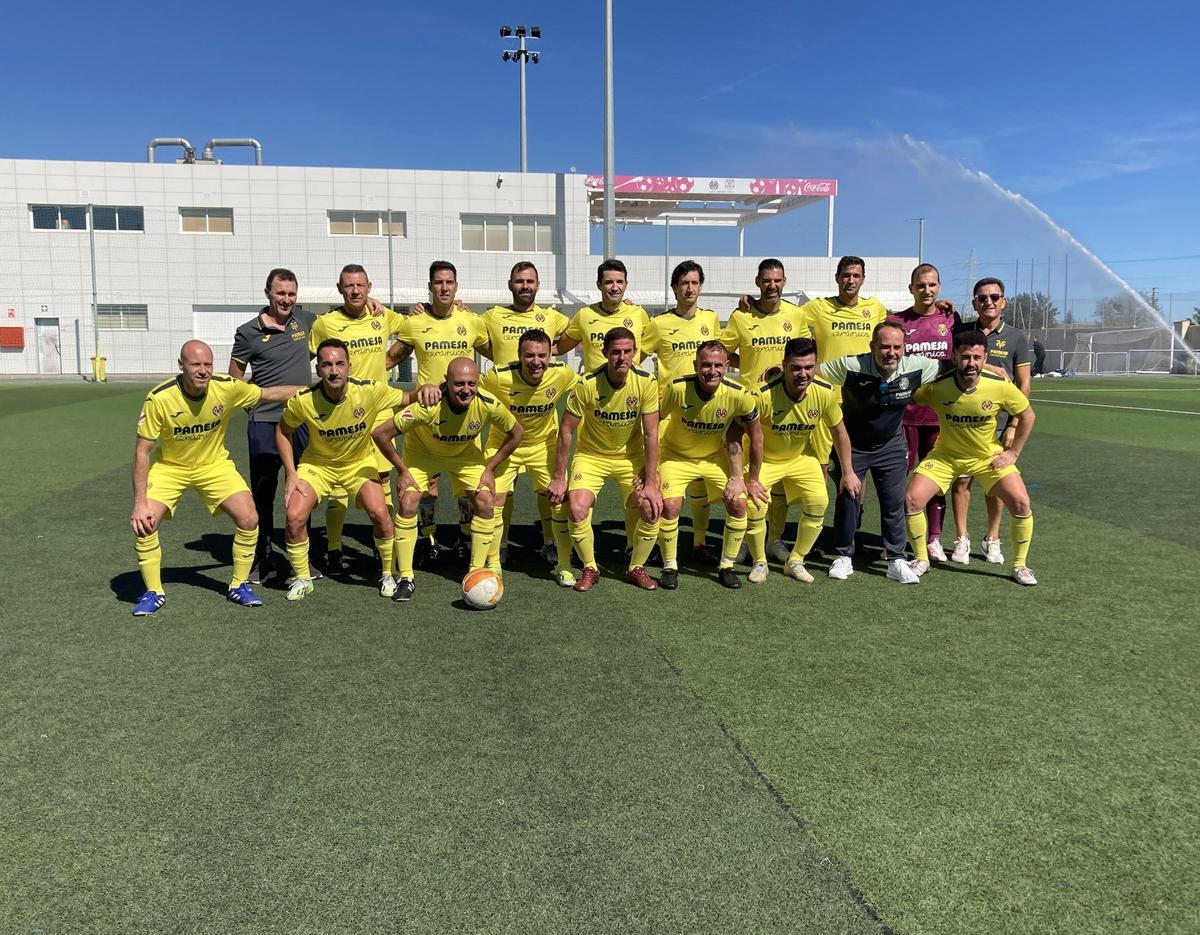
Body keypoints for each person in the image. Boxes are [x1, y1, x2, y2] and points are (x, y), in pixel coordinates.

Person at [129, 341, 302, 615]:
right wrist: (139, 503)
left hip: (213, 466)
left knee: (249, 518)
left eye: (207, 364)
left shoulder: (226, 386)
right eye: (195, 364)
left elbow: (268, 394)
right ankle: (153, 591)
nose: (202, 371)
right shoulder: (159, 398)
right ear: (181, 365)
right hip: (171, 467)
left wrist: (312, 390)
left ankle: (239, 585)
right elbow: (142, 453)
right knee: (145, 522)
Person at [276, 339, 438, 601]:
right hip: (317, 466)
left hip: (358, 464)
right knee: (294, 516)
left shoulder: (369, 391)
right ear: (318, 369)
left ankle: (387, 573)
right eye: (327, 364)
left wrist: (427, 389)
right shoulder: (303, 400)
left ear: (349, 367)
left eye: (340, 364)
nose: (334, 370)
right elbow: (284, 430)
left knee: (380, 513)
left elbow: (408, 397)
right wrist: (291, 473)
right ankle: (303, 578)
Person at [372, 357, 524, 604]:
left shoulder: (487, 403)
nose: (466, 390)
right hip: (423, 455)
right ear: (447, 382)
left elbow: (517, 433)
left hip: (464, 456)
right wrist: (401, 470)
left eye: (471, 383)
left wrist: (489, 469)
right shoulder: (428, 406)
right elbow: (380, 434)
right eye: (459, 384)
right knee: (409, 500)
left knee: (486, 499)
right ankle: (406, 577)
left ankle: (476, 570)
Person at [906, 331, 1038, 585]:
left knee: (1021, 503)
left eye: (977, 357)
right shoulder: (937, 387)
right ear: (954, 357)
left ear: (985, 358)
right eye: (965, 356)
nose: (971, 363)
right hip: (946, 456)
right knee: (912, 500)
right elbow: (910, 398)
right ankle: (921, 558)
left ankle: (1020, 565)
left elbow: (1028, 416)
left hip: (987, 457)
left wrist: (1013, 453)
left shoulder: (999, 385)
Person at [819, 321, 943, 584]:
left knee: (893, 502)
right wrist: (780, 370)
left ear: (904, 349)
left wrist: (989, 366)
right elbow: (813, 371)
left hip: (891, 445)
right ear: (872, 346)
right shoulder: (850, 366)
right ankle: (843, 555)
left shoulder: (918, 366)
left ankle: (896, 559)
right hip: (853, 445)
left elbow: (950, 366)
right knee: (848, 497)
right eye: (884, 346)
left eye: (897, 347)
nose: (891, 352)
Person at [547, 327, 663, 592]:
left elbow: (652, 433)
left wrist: (652, 481)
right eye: (616, 352)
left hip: (630, 458)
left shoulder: (646, 381)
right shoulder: (587, 383)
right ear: (605, 353)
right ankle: (590, 567)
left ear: (635, 353)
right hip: (591, 457)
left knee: (650, 506)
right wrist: (558, 476)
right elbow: (566, 429)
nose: (622, 358)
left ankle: (636, 567)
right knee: (576, 508)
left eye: (627, 351)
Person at [307, 265, 406, 573]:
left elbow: (414, 331)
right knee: (338, 485)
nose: (355, 291)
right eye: (349, 285)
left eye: (360, 285)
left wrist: (389, 359)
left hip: (378, 411)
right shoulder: (325, 323)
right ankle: (335, 549)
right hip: (339, 414)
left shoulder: (383, 316)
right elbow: (306, 358)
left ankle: (382, 545)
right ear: (340, 288)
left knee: (382, 478)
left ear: (368, 286)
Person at [392, 261, 490, 564]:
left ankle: (464, 535)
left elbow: (497, 353)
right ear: (430, 286)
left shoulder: (471, 320)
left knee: (466, 487)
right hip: (426, 417)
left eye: (449, 282)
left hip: (464, 416)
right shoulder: (414, 323)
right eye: (438, 282)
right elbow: (390, 358)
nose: (444, 287)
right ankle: (427, 537)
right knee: (427, 486)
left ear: (456, 286)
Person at [720, 259, 813, 562]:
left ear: (784, 282)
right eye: (766, 280)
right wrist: (748, 362)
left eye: (777, 280)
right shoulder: (741, 316)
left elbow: (806, 350)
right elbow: (724, 353)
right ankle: (747, 540)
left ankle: (774, 539)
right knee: (749, 477)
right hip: (750, 407)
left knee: (781, 480)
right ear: (757, 282)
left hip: (786, 407)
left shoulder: (796, 315)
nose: (772, 285)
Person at [228, 269, 316, 585]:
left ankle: (302, 561)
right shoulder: (247, 332)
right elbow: (233, 381)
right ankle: (262, 559)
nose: (286, 300)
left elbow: (339, 325)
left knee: (304, 491)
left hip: (302, 423)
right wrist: (254, 405)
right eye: (281, 293)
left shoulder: (305, 321)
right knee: (263, 496)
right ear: (268, 292)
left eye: (291, 294)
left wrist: (372, 301)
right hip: (264, 425)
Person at [746, 338, 859, 583]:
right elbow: (738, 429)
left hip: (799, 457)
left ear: (815, 365)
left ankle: (795, 560)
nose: (802, 373)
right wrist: (744, 474)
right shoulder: (762, 394)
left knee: (819, 501)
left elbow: (839, 432)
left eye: (808, 367)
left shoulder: (824, 392)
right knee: (755, 505)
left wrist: (848, 472)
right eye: (796, 367)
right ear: (784, 365)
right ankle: (759, 562)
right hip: (764, 460)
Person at [479, 262, 571, 565]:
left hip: (542, 428)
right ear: (510, 284)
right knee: (499, 494)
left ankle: (550, 543)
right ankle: (499, 546)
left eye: (530, 281)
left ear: (538, 284)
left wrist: (622, 306)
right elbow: (469, 332)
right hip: (505, 423)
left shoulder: (552, 317)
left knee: (551, 493)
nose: (525, 286)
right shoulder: (492, 316)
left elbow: (583, 330)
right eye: (519, 281)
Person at [655, 341, 765, 590]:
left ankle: (727, 565)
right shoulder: (677, 388)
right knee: (671, 505)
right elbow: (654, 422)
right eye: (706, 364)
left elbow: (755, 436)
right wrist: (649, 467)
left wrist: (748, 478)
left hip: (714, 457)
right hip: (676, 455)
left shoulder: (739, 394)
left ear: (727, 366)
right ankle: (670, 566)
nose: (711, 370)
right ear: (695, 365)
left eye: (718, 365)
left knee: (738, 501)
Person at [480, 329, 579, 586]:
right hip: (504, 444)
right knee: (494, 499)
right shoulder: (497, 377)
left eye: (542, 355)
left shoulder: (562, 374)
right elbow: (469, 394)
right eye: (530, 355)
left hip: (542, 445)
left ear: (550, 356)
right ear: (519, 356)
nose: (536, 361)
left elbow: (588, 387)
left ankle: (563, 563)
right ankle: (494, 561)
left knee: (559, 499)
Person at [641, 260, 723, 563]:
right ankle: (659, 550)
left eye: (694, 283)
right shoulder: (659, 324)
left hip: (705, 411)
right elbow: (638, 356)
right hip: (669, 413)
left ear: (700, 286)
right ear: (674, 288)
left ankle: (699, 543)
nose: (689, 288)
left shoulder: (712, 319)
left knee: (701, 482)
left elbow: (721, 357)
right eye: (683, 283)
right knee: (663, 486)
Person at [950, 278, 1033, 565]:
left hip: (998, 426)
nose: (989, 302)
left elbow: (1023, 384)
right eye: (982, 297)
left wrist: (1012, 425)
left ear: (1004, 301)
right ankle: (961, 537)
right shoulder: (961, 331)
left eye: (994, 296)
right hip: (962, 424)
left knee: (995, 484)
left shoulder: (1016, 337)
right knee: (961, 482)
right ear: (974, 303)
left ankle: (992, 538)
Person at [893, 263, 961, 563]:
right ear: (911, 288)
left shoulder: (950, 318)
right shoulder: (897, 321)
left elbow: (963, 356)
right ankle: (894, 538)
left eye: (932, 284)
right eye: (920, 285)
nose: (927, 290)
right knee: (896, 479)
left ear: (940, 287)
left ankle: (934, 538)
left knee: (936, 478)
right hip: (905, 415)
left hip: (939, 417)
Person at [557, 259, 650, 372]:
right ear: (599, 285)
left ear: (626, 285)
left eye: (619, 282)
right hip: (595, 388)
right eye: (609, 282)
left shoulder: (638, 313)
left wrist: (633, 365)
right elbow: (559, 348)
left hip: (630, 388)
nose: (615, 288)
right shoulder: (584, 315)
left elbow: (649, 346)